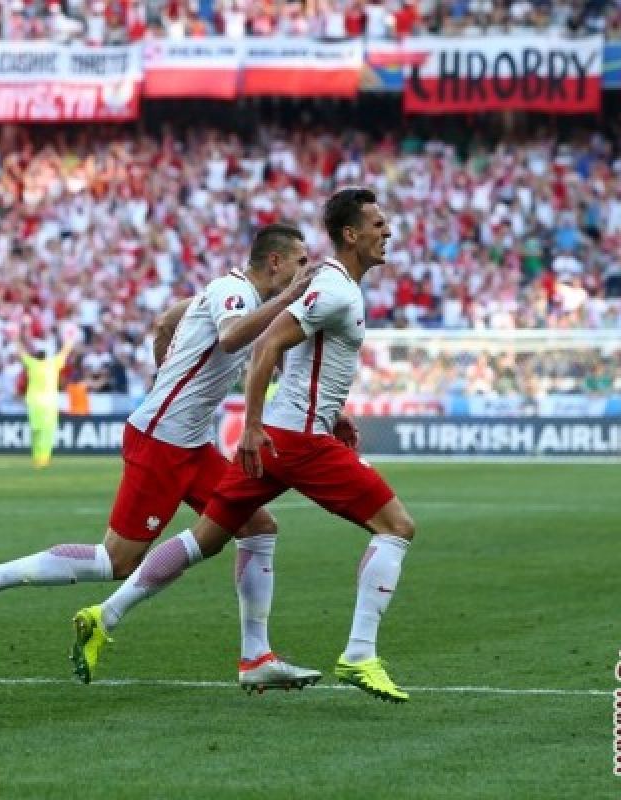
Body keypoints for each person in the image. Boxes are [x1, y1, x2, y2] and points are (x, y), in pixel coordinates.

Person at [0, 224, 320, 693]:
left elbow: (164, 322)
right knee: (116, 560)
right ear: (276, 263)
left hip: (191, 443)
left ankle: (255, 656)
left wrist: (168, 377)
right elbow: (228, 339)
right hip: (161, 442)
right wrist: (286, 302)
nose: (307, 270)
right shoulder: (233, 291)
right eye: (301, 261)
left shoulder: (223, 291)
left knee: (257, 526)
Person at [72, 188, 416, 702]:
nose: (386, 232)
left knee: (208, 539)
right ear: (351, 234)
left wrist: (330, 412)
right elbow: (268, 344)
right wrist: (253, 426)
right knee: (397, 527)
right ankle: (360, 654)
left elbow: (290, 356)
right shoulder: (336, 289)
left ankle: (106, 615)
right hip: (297, 441)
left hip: (285, 435)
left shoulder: (332, 284)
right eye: (378, 224)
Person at [22, 337, 73, 468]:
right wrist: (69, 338)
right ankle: (44, 458)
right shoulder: (53, 363)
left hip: (34, 402)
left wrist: (15, 338)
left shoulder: (33, 363)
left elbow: (21, 352)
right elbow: (65, 351)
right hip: (49, 403)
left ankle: (37, 458)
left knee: (36, 431)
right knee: (47, 432)